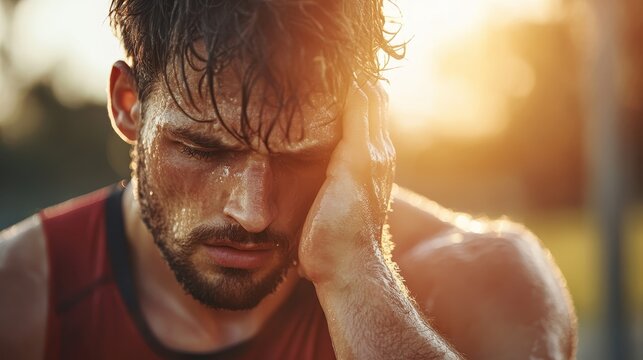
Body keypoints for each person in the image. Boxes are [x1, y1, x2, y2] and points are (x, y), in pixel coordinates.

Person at [0, 0, 577, 359]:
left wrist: (357, 276)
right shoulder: (20, 299)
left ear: (362, 125)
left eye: (302, 155)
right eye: (203, 148)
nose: (252, 212)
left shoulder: (485, 284)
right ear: (128, 105)